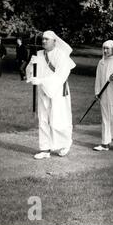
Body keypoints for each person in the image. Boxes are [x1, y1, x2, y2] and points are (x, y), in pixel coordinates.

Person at [26, 30, 76, 159]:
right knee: (43, 119)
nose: (43, 41)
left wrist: (42, 81)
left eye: (46, 39)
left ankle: (65, 143)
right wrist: (31, 65)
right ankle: (45, 149)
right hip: (43, 91)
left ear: (54, 41)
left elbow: (61, 75)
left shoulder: (61, 55)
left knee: (58, 119)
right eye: (43, 39)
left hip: (58, 91)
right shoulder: (39, 54)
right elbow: (30, 73)